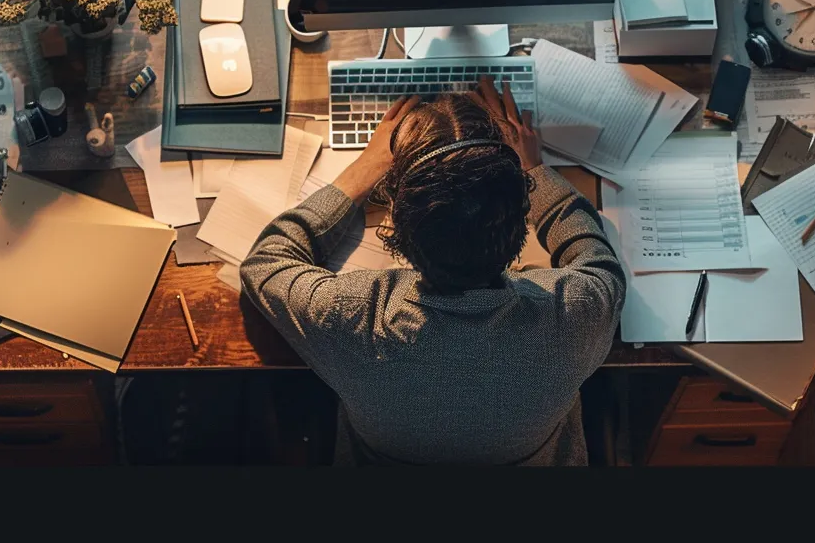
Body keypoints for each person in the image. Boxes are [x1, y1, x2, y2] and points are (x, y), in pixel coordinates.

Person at [240, 76, 624, 466]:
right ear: (521, 215)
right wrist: (535, 171)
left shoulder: (351, 316)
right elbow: (597, 258)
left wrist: (363, 169)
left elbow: (266, 262)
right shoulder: (576, 313)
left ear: (396, 227)